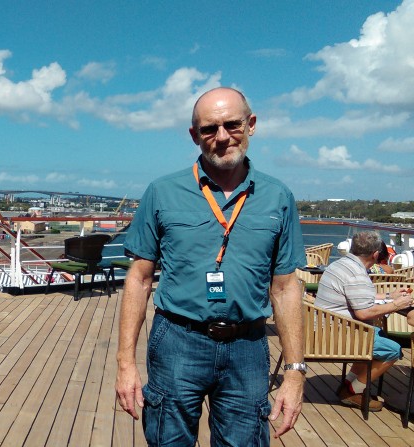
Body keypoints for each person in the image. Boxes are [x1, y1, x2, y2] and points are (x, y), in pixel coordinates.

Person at [116, 87, 307, 446]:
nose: (221, 137)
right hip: (177, 340)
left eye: (232, 124)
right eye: (209, 129)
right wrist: (125, 363)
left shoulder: (278, 197)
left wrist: (295, 373)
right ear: (194, 135)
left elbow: (285, 288)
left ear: (251, 125)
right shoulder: (162, 192)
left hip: (248, 345)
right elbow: (139, 280)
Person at [314, 231, 413, 410]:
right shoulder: (356, 274)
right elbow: (364, 313)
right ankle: (353, 391)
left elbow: (358, 296)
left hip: (327, 328)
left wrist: (389, 296)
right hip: (336, 334)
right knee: (392, 350)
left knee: (377, 334)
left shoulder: (342, 265)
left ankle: (349, 385)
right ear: (375, 254)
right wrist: (397, 305)